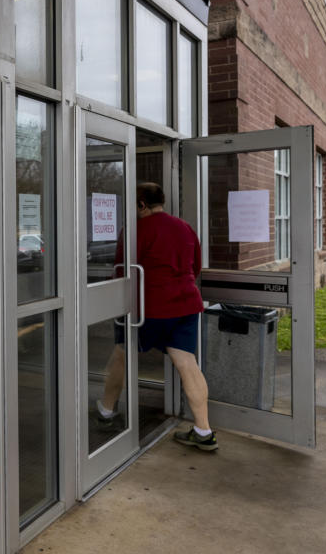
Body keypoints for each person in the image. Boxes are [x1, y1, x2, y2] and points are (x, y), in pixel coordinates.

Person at [96, 182, 217, 451]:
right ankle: (204, 430)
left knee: (121, 354)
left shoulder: (135, 230)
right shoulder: (184, 227)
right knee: (187, 363)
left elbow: (121, 272)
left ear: (141, 204)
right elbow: (195, 266)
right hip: (186, 305)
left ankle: (106, 411)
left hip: (148, 308)